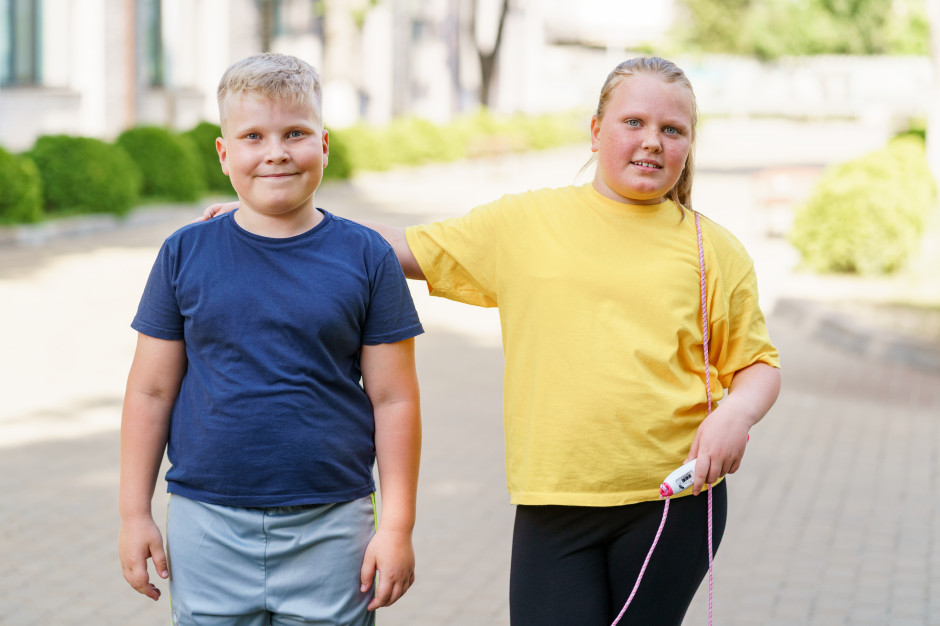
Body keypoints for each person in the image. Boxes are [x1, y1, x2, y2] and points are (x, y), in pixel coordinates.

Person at [202, 56, 781, 625]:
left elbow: (758, 365)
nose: (651, 141)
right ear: (595, 131)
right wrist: (270, 216)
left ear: (688, 144)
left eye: (671, 129)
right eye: (633, 122)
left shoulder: (712, 248)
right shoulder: (527, 223)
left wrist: (738, 415)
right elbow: (402, 248)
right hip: (553, 501)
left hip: (670, 503)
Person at [119, 52, 423, 625]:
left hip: (333, 527)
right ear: (224, 152)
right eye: (254, 135)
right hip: (205, 524)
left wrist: (397, 527)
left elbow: (395, 399)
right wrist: (133, 513)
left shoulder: (368, 257)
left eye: (296, 133)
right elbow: (150, 393)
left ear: (325, 144)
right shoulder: (185, 252)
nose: (276, 151)